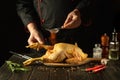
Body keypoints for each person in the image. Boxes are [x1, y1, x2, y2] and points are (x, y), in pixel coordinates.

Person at [16, 0, 93, 56]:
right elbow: (23, 4)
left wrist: (79, 12)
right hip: (42, 42)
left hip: (75, 43)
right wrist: (32, 29)